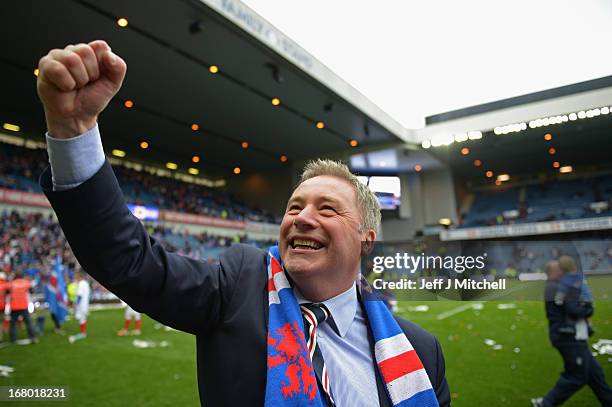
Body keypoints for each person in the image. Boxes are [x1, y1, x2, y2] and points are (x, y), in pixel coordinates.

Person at [36, 40, 450, 406]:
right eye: (294, 207)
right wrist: (74, 131)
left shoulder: (420, 351)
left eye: (326, 209)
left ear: (366, 239)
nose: (303, 219)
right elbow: (129, 261)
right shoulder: (235, 289)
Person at [531, 259, 612, 406]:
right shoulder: (557, 287)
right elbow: (574, 309)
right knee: (577, 375)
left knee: (595, 374)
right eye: (559, 270)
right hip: (568, 337)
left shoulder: (554, 286)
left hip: (569, 335)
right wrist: (589, 309)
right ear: (552, 273)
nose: (563, 271)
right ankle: (546, 403)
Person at [8, 270, 37, 344]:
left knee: (13, 324)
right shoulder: (26, 282)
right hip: (23, 305)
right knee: (28, 322)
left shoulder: (11, 283)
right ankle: (33, 337)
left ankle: (13, 340)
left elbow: (7, 292)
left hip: (14, 306)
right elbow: (31, 291)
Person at [68, 271, 90, 343]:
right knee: (82, 318)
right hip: (85, 304)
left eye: (76, 277)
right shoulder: (85, 283)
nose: (75, 278)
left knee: (81, 319)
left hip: (81, 305)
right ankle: (82, 333)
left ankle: (82, 333)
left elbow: (79, 296)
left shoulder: (81, 284)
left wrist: (75, 304)